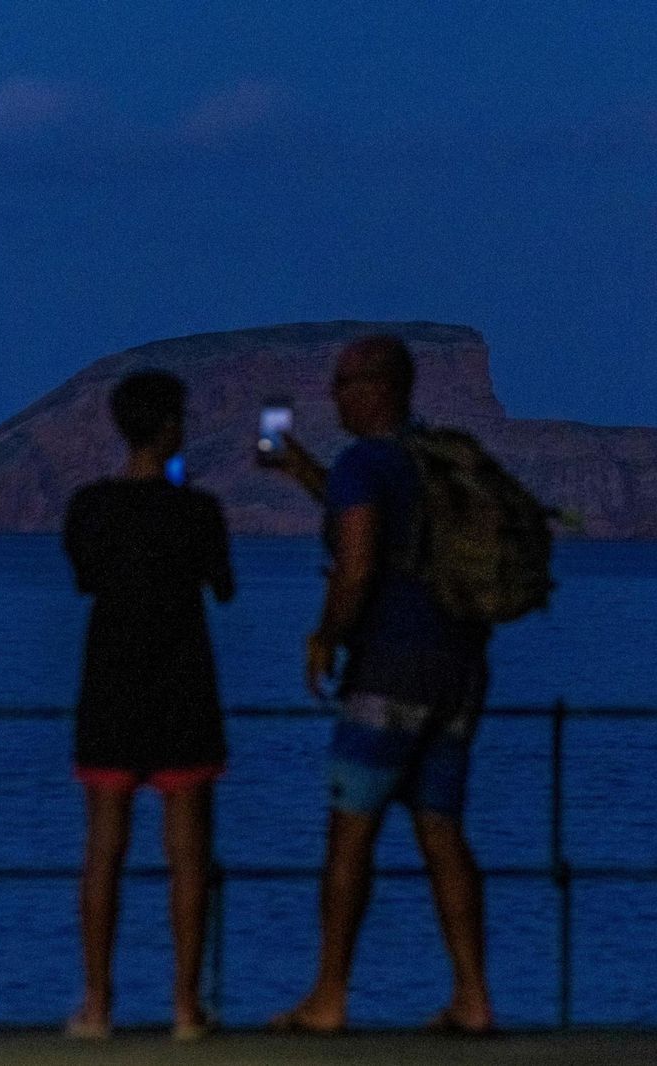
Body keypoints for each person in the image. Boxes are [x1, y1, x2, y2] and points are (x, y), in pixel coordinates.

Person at [271, 334, 495, 1034]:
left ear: (379, 387)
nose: (334, 395)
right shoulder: (430, 459)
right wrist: (302, 471)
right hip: (456, 669)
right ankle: (473, 998)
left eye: (343, 383)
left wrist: (325, 635)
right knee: (443, 835)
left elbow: (360, 560)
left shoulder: (363, 463)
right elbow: (380, 527)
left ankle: (329, 999)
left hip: (389, 671)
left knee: (350, 839)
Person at [61, 370, 234, 1041]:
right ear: (170, 428)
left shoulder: (89, 507)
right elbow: (223, 587)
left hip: (109, 683)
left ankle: (98, 1004)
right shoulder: (199, 511)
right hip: (184, 685)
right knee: (188, 854)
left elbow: (86, 578)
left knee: (103, 847)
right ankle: (187, 1007)